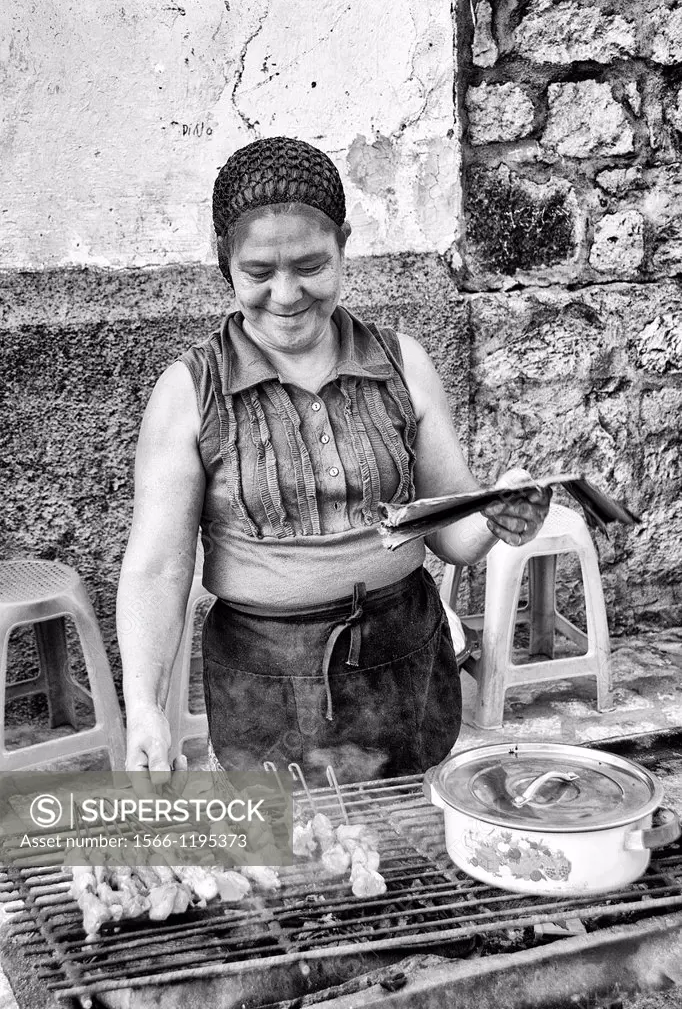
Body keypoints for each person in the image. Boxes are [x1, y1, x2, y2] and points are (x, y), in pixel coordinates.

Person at [117, 136, 550, 784]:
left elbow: (456, 537)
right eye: (258, 272)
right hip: (263, 682)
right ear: (224, 265)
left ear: (344, 244)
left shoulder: (402, 366)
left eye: (311, 266)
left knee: (409, 845)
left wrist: (498, 509)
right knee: (295, 859)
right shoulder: (190, 394)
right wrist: (146, 710)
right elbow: (156, 570)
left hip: (402, 663)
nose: (287, 294)